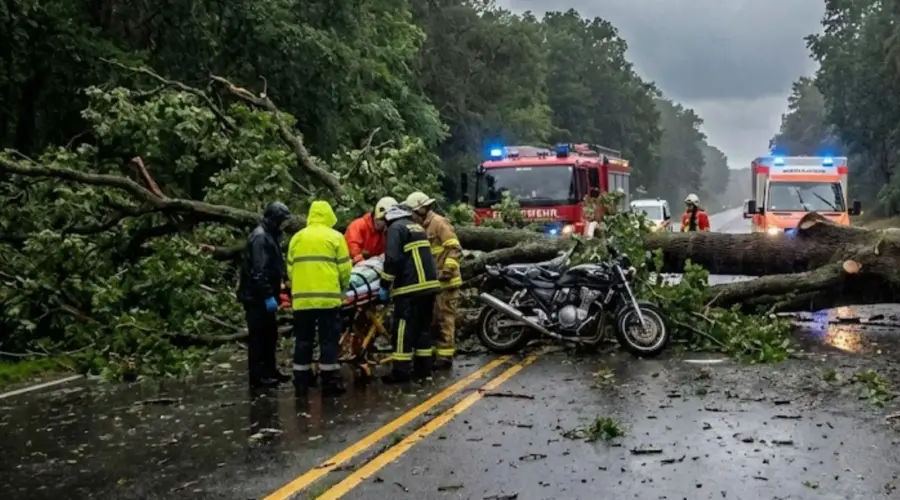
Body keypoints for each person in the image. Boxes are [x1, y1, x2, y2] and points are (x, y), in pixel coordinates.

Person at [287, 200, 353, 397]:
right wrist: (342, 289)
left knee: (303, 341)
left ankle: (301, 381)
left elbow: (290, 269)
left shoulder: (297, 238)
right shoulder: (335, 237)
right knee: (328, 341)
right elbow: (345, 269)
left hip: (302, 301)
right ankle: (329, 382)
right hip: (328, 300)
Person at [378, 204, 442, 384]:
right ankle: (423, 368)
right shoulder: (416, 227)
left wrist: (384, 284)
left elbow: (392, 259)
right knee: (423, 327)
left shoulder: (395, 229)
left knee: (402, 329)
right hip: (429, 286)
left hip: (410, 288)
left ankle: (401, 371)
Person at [404, 191, 462, 371]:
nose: (412, 215)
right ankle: (436, 353)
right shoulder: (420, 226)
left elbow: (455, 249)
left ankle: (445, 357)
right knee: (433, 320)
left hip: (447, 281)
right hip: (432, 282)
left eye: (414, 211)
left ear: (422, 208)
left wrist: (447, 270)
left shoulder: (439, 223)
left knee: (444, 319)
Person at [238, 201, 293, 388]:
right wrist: (268, 295)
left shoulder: (271, 236)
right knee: (258, 337)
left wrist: (284, 282)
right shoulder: (260, 238)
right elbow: (258, 271)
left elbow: (275, 264)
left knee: (270, 335)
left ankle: (270, 371)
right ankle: (258, 376)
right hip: (256, 297)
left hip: (266, 294)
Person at [345, 197, 398, 263]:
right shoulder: (358, 226)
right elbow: (353, 251)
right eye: (383, 220)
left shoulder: (386, 231)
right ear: (376, 217)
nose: (385, 225)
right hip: (356, 266)